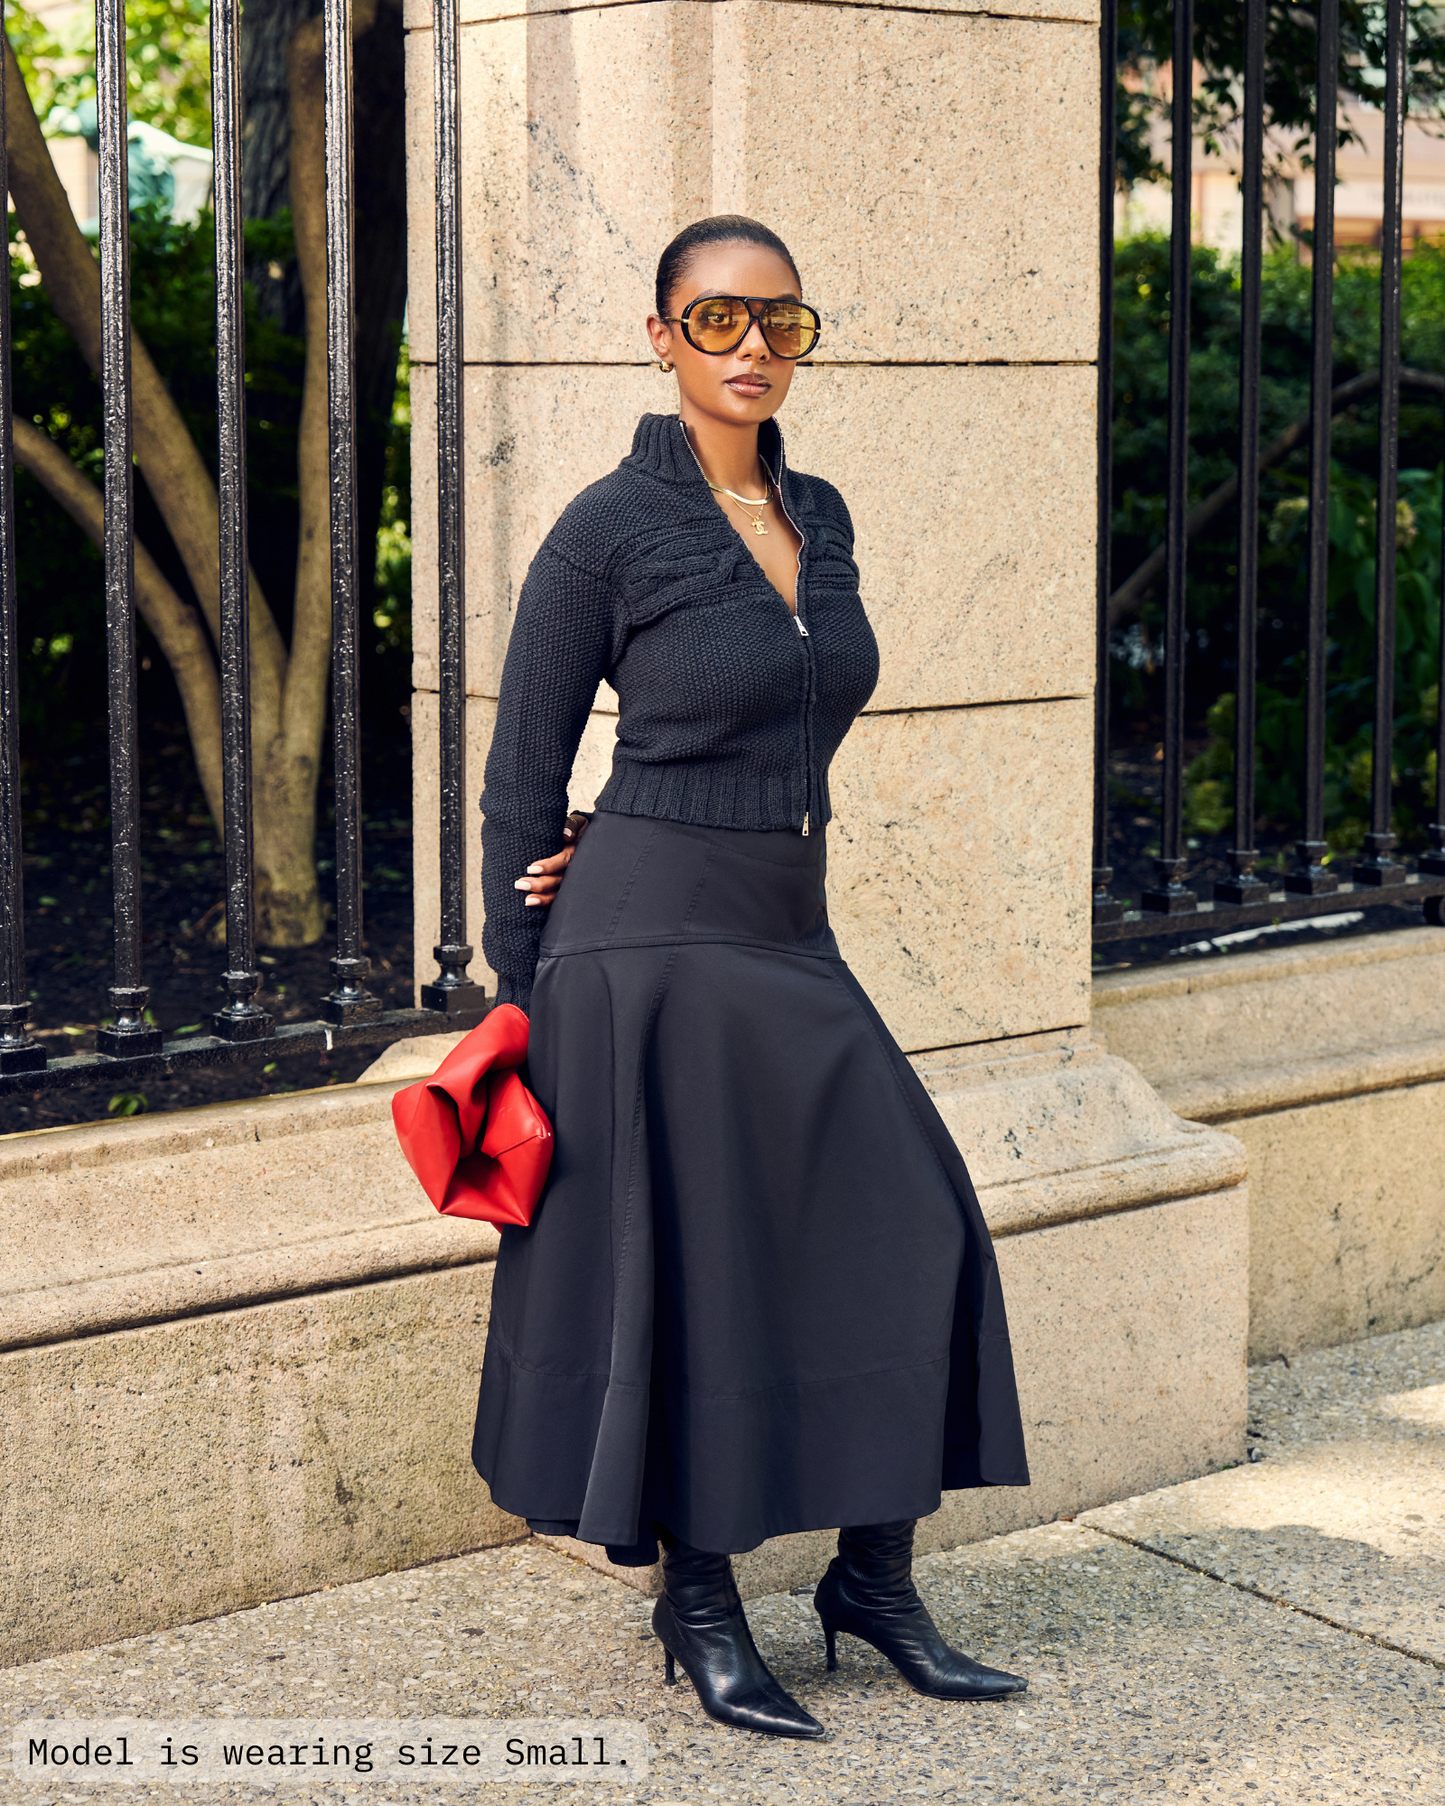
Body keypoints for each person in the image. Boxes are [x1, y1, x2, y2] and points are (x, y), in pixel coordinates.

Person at [472, 215, 1031, 1740]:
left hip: (786, 923)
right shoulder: (606, 527)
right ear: (660, 335)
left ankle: (874, 1577)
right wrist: (526, 1005)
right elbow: (519, 783)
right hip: (641, 945)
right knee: (699, 1269)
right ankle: (701, 1602)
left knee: (912, 1217)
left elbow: (795, 715)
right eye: (716, 319)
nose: (751, 349)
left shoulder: (822, 510)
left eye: (780, 321)